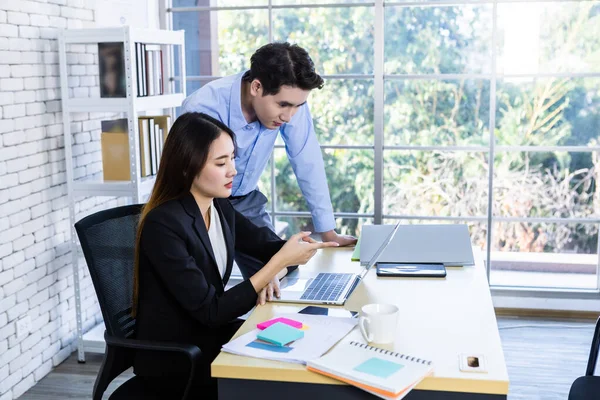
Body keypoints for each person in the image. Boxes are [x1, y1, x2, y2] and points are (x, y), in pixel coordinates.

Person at [131, 112, 339, 399]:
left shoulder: (219, 208)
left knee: (307, 352)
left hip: (209, 337)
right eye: (221, 162)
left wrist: (290, 254)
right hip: (179, 359)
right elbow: (211, 311)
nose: (233, 171)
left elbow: (269, 247)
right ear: (187, 168)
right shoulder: (163, 225)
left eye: (232, 158)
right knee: (286, 381)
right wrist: (277, 264)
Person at [181, 42, 357, 286]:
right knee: (204, 287)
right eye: (283, 105)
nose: (288, 116)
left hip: (246, 200)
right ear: (256, 86)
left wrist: (328, 231)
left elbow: (307, 161)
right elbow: (190, 176)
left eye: (298, 106)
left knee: (281, 276)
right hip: (200, 203)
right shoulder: (204, 107)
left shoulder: (291, 105)